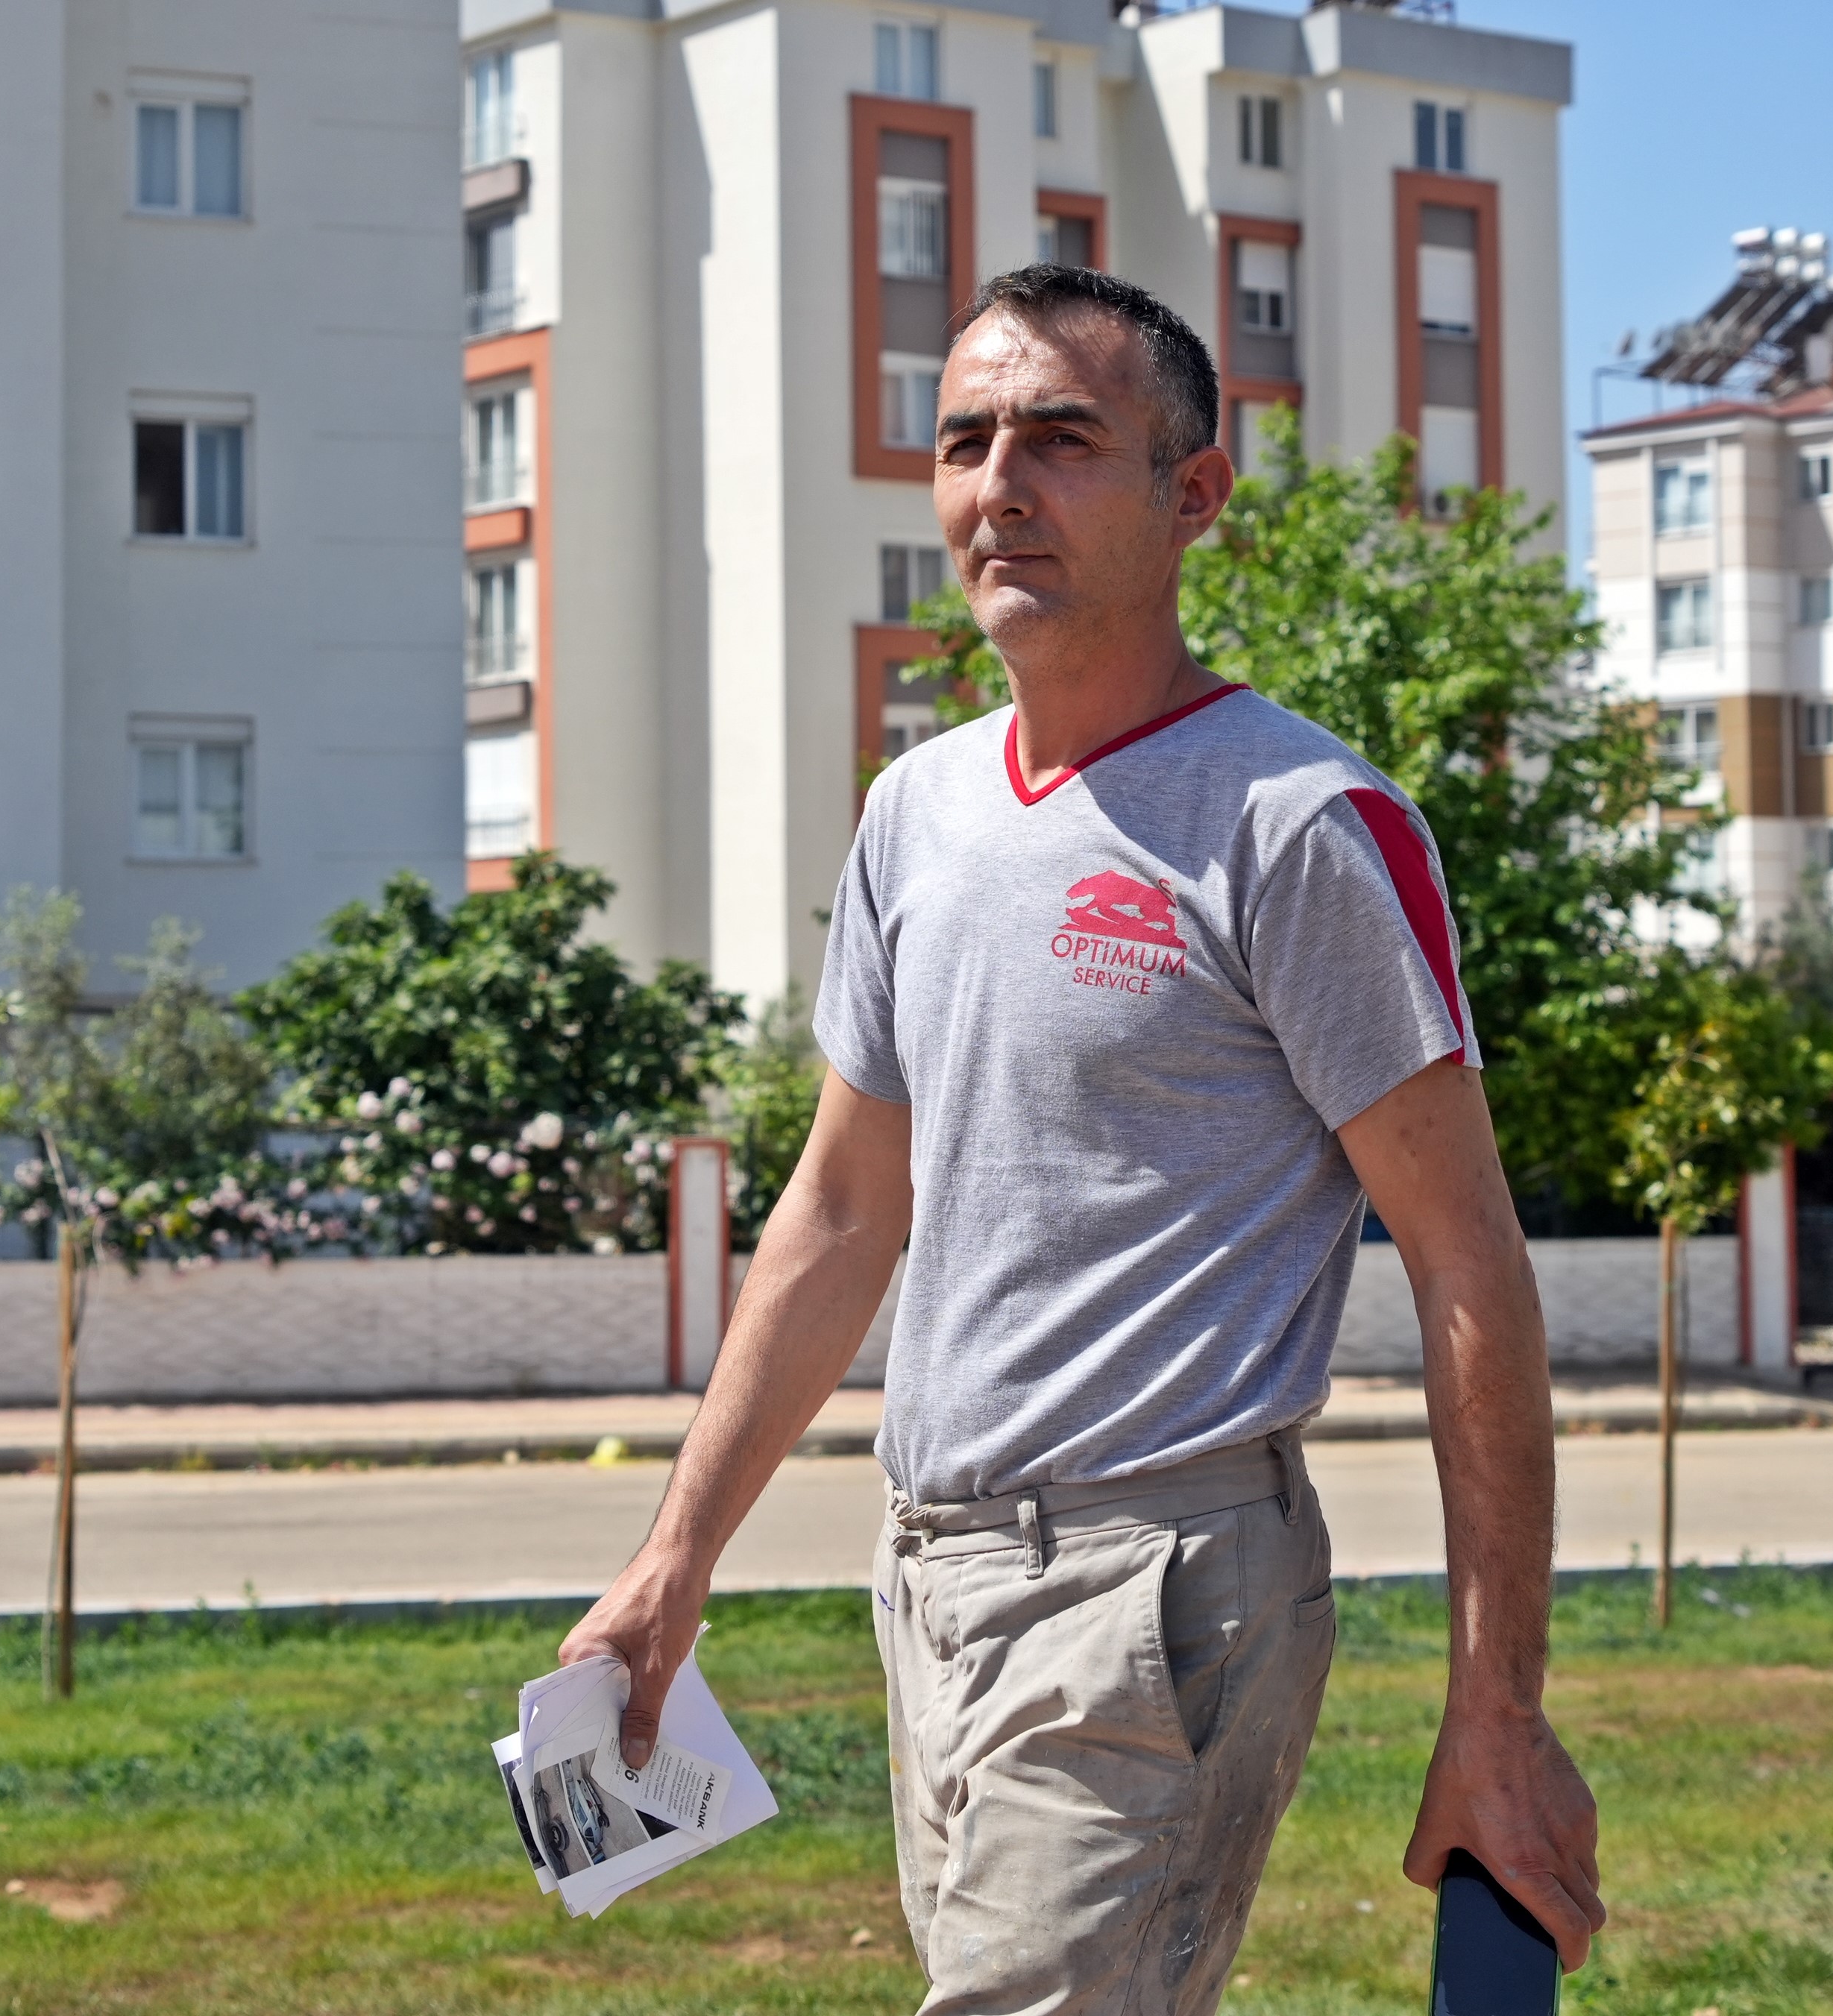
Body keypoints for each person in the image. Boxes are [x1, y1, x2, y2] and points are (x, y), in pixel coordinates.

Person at [559, 265, 1603, 2012]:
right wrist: (678, 1554)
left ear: (1193, 494)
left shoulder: (1299, 823)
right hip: (928, 1570)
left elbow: (1465, 1259)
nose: (999, 484)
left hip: (1156, 1584)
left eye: (1061, 437)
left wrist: (1496, 1708)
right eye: (965, 440)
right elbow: (836, 1211)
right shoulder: (920, 808)